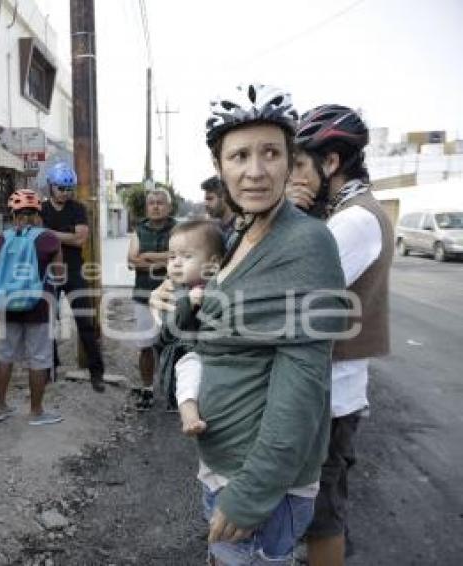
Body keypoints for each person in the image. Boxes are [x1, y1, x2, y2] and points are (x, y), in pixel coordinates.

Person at [151, 84, 347, 565]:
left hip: (260, 482)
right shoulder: (241, 234)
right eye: (239, 156)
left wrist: (253, 492)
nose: (255, 171)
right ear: (220, 168)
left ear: (290, 161)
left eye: (270, 153)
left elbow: (303, 381)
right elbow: (216, 326)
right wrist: (177, 304)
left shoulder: (307, 243)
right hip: (224, 463)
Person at [289, 105, 394, 566]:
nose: (289, 176)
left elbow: (292, 295)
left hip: (331, 394)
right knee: (314, 507)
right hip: (329, 389)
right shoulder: (347, 212)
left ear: (330, 162)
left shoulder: (352, 220)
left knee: (323, 513)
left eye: (297, 164)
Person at [0, 189, 64, 425]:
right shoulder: (49, 238)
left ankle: (0, 407)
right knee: (39, 358)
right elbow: (59, 274)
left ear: (13, 215)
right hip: (38, 306)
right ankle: (36, 412)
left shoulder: (2, 238)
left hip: (5, 304)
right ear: (39, 213)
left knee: (5, 356)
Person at [40, 162, 106, 392]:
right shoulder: (42, 209)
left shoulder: (77, 208)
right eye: (61, 188)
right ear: (51, 186)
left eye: (69, 189)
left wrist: (50, 234)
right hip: (48, 271)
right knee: (48, 321)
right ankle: (51, 368)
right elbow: (39, 239)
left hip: (75, 270)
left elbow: (80, 240)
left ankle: (96, 371)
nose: (65, 193)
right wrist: (65, 235)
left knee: (85, 321)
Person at [150, 219, 224, 417]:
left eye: (187, 256)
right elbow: (167, 330)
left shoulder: (221, 285)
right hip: (187, 352)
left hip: (217, 357)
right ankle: (188, 415)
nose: (176, 262)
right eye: (171, 256)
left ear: (213, 264)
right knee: (189, 369)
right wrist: (186, 304)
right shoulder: (172, 291)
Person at [126, 188, 176, 410]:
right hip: (143, 296)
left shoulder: (178, 229)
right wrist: (164, 260)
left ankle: (173, 391)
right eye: (152, 203)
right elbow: (130, 261)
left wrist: (145, 257)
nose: (156, 206)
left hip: (172, 297)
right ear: (147, 207)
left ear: (169, 206)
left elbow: (178, 257)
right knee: (146, 346)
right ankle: (147, 389)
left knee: (172, 345)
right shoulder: (138, 229)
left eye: (160, 203)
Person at [201, 175, 236, 245]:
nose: (206, 204)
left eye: (210, 199)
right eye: (205, 200)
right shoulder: (215, 229)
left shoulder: (239, 231)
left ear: (224, 197)